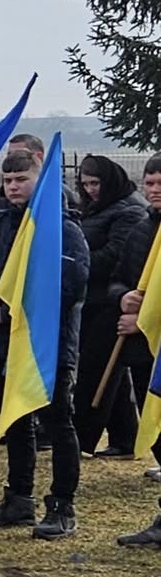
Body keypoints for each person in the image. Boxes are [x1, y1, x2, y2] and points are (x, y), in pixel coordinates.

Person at [0, 147, 90, 539]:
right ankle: (19, 497)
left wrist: (13, 315)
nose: (13, 186)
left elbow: (68, 287)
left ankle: (62, 505)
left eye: (22, 179)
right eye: (8, 180)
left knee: (57, 421)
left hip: (47, 347)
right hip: (4, 345)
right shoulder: (2, 226)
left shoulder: (63, 229)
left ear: (40, 181)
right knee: (14, 421)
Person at [74, 153, 147, 457]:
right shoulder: (97, 208)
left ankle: (82, 439)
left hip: (112, 302)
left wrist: (75, 259)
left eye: (96, 182)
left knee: (96, 372)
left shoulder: (129, 211)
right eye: (86, 183)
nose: (91, 189)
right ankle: (124, 437)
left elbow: (116, 256)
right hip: (95, 299)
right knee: (111, 376)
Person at [115, 154, 161, 547]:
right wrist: (125, 298)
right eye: (149, 183)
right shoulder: (141, 231)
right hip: (143, 351)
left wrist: (145, 317)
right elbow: (118, 280)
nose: (155, 189)